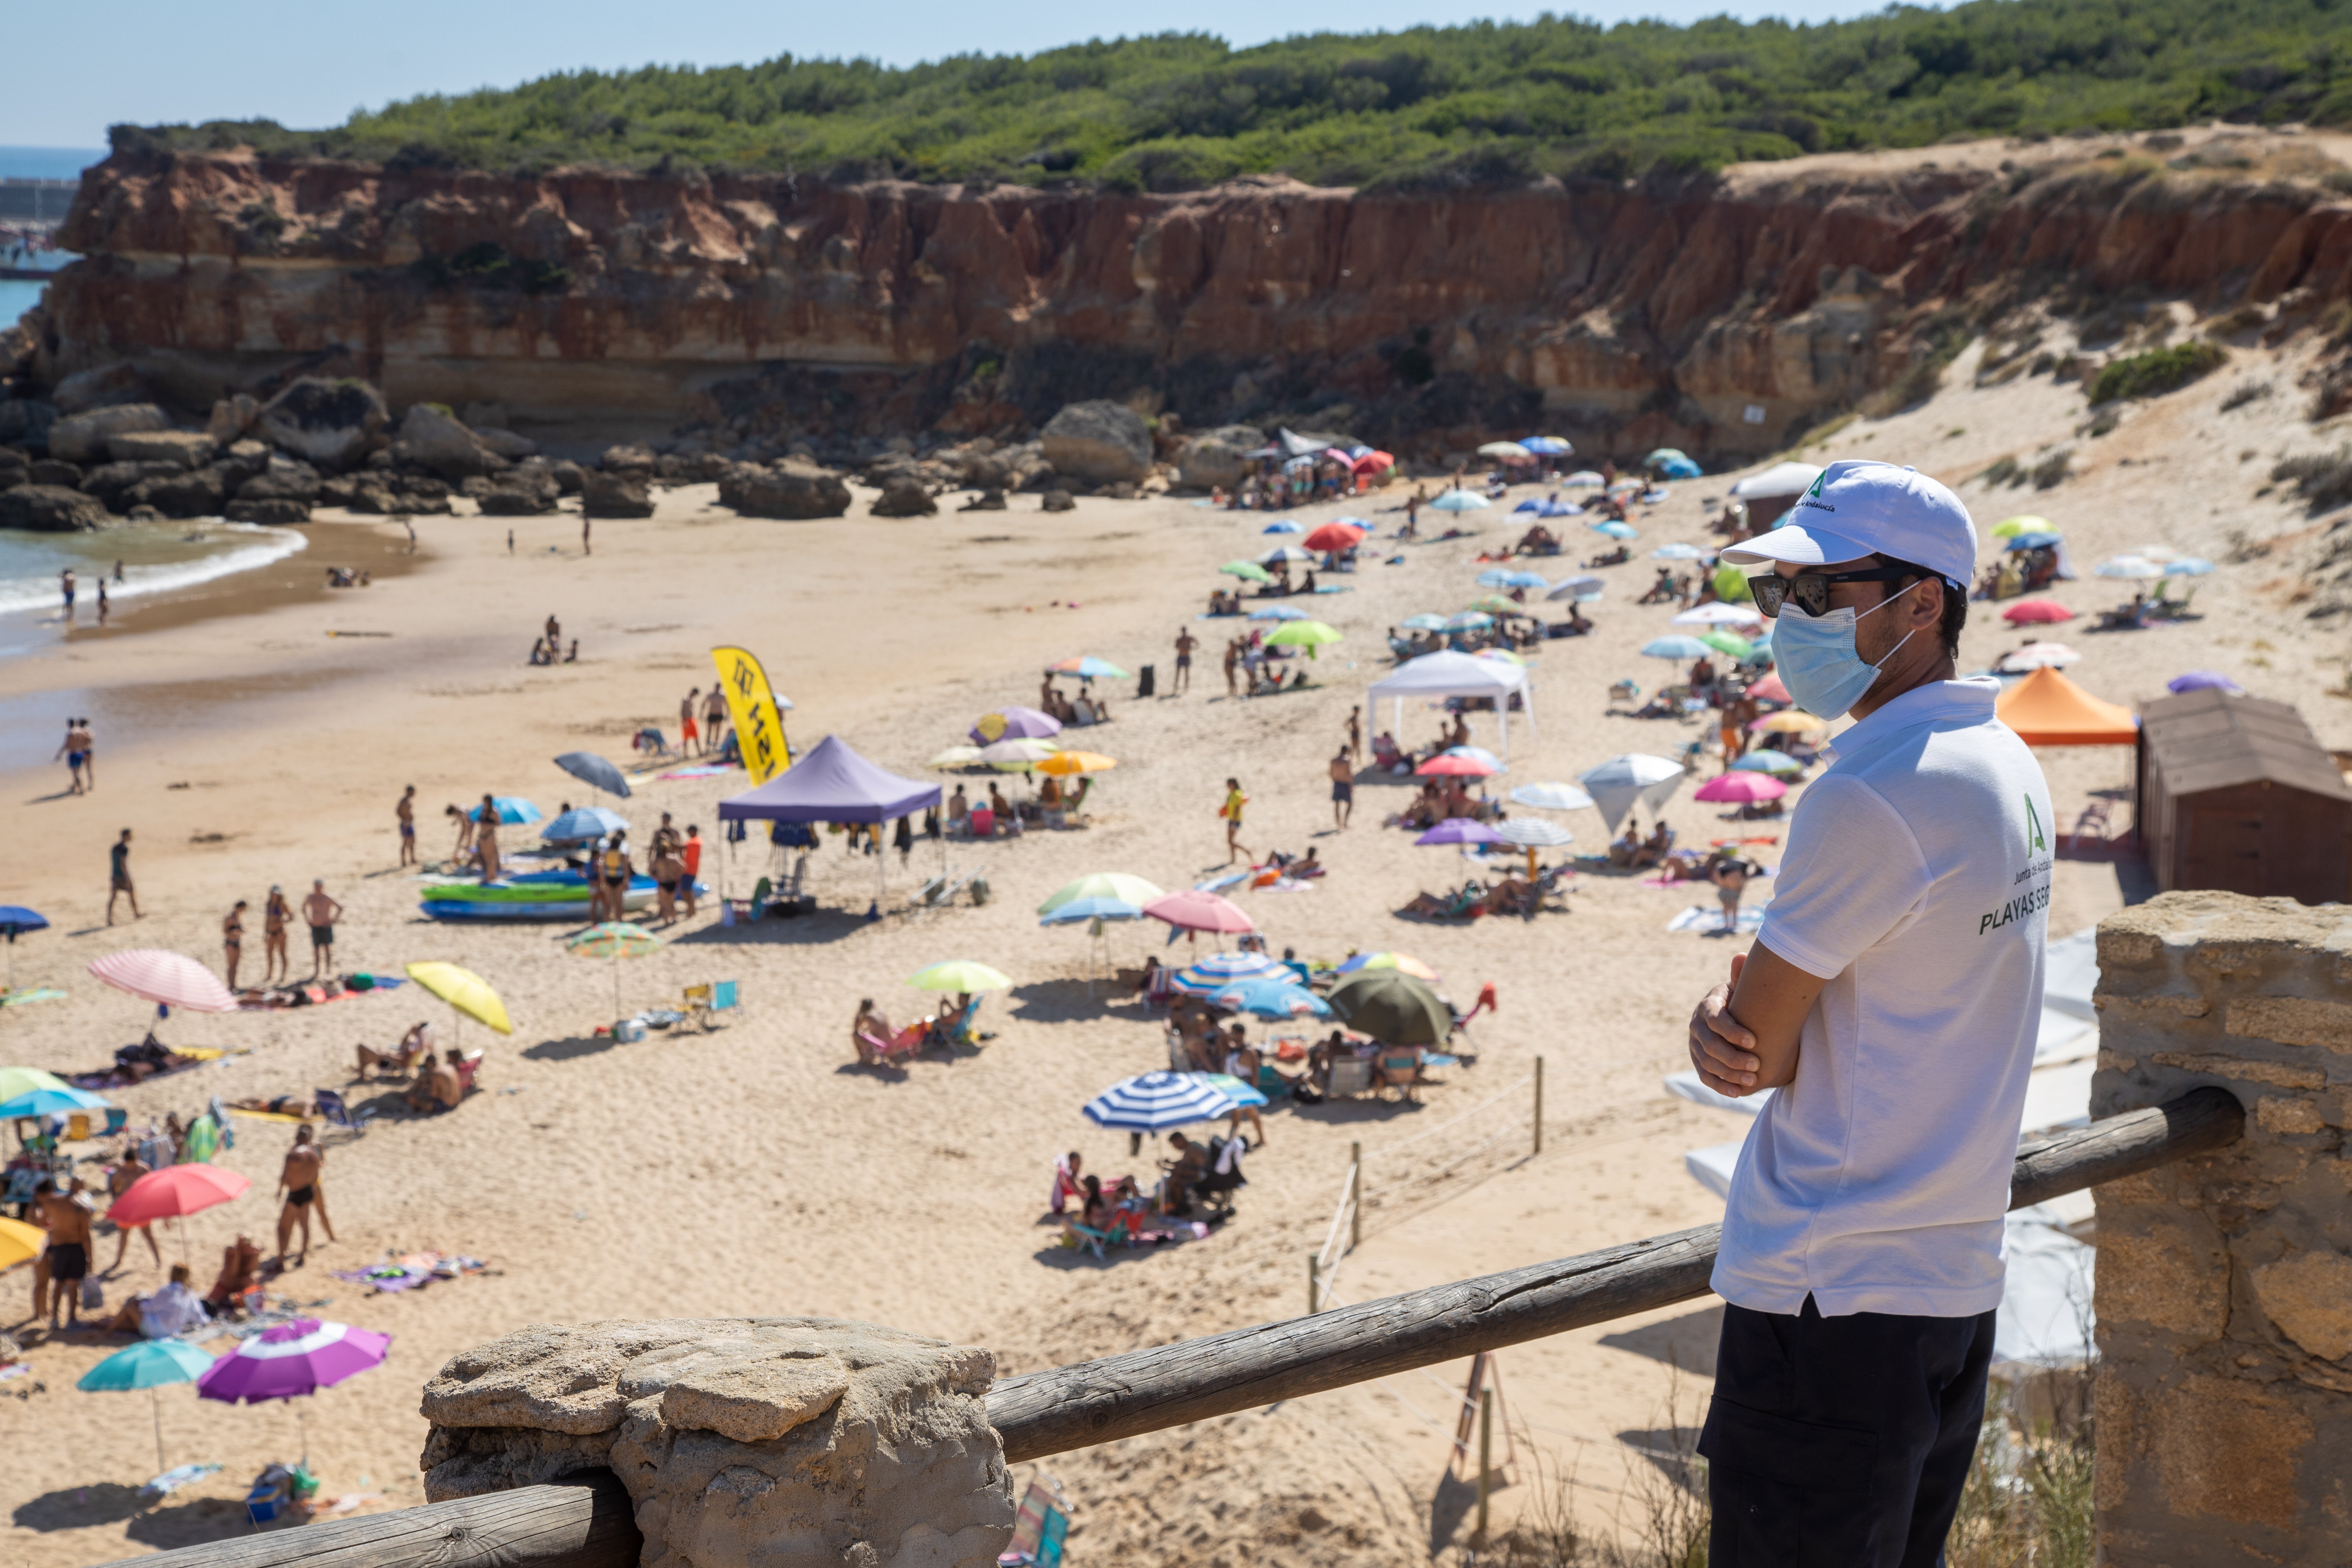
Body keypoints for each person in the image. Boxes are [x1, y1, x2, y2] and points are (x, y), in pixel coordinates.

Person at [1686, 459, 2052, 1564]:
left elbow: (1750, 1052)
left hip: (1827, 1288)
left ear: (1920, 600)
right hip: (1948, 1273)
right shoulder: (2003, 761)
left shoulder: (1869, 791)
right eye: (1774, 597)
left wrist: (1718, 1011)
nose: (1785, 623)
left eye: (1816, 594)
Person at [35, 1175, 93, 1329]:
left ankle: (54, 1318)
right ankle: (71, 1319)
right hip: (76, 1248)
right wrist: (90, 1258)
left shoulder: (53, 1202)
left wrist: (55, 1231)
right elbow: (85, 1237)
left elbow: (42, 1223)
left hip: (59, 1248)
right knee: (73, 1285)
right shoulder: (82, 1207)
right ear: (81, 1187)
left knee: (58, 1283)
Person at [274, 1125, 326, 1269]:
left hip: (295, 1194)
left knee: (283, 1228)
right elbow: (318, 1171)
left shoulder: (294, 1155)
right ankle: (302, 1256)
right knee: (305, 1225)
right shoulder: (314, 1154)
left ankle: (280, 1261)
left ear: (297, 1138)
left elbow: (285, 1176)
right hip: (309, 1191)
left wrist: (280, 1190)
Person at [107, 1146, 161, 1271]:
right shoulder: (120, 1171)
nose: (129, 1166)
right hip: (126, 1207)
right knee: (124, 1236)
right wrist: (115, 1199)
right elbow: (112, 1188)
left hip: (141, 1207)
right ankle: (118, 1261)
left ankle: (158, 1260)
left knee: (148, 1234)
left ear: (136, 1160)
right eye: (128, 1164)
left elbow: (153, 1186)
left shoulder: (144, 1169)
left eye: (131, 1164)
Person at [139, 1262, 207, 1339]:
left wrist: (141, 1303)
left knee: (131, 1307)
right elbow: (197, 1314)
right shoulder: (189, 1294)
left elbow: (148, 1308)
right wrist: (205, 1321)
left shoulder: (167, 1290)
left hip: (158, 1331)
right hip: (175, 1330)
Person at [358, 1020, 434, 1080]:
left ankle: (362, 1074)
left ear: (419, 1030)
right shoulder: (417, 1044)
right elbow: (401, 1046)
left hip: (389, 1063)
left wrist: (388, 1055)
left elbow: (403, 1061)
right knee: (369, 1051)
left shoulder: (415, 1047)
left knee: (361, 1047)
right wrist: (409, 1033)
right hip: (390, 1061)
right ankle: (361, 1073)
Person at [303, 880, 343, 979]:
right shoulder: (311, 897)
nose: (317, 888)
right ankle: (317, 971)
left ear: (322, 887)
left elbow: (340, 908)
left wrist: (333, 921)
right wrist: (308, 920)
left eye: (319, 887)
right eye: (316, 886)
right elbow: (304, 908)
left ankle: (328, 970)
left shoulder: (326, 898)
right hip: (315, 927)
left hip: (325, 927)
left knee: (327, 949)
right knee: (316, 950)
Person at [1708, 853, 1754, 934]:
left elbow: (1718, 866)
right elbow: (1750, 873)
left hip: (1721, 872)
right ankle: (1735, 923)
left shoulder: (1731, 859)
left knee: (1726, 900)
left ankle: (1726, 924)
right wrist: (1742, 887)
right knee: (1734, 900)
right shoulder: (1749, 863)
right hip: (1735, 873)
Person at [595, 832, 633, 923]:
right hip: (619, 879)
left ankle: (607, 921)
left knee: (608, 903)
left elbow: (602, 869)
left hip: (609, 879)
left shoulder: (606, 854)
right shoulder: (622, 855)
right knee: (619, 903)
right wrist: (627, 882)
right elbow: (627, 870)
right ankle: (619, 921)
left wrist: (602, 881)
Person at [107, 828, 139, 923]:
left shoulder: (114, 847)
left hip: (114, 875)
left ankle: (109, 919)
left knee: (113, 898)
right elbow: (123, 864)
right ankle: (136, 914)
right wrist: (127, 878)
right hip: (122, 876)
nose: (131, 837)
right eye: (130, 835)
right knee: (131, 894)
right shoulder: (124, 849)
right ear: (126, 836)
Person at [262, 885, 292, 983]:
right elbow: (267, 919)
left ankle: (283, 975)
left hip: (280, 932)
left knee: (282, 954)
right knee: (269, 954)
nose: (275, 896)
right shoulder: (269, 904)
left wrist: (281, 922)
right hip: (271, 932)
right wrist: (265, 933)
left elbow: (291, 917)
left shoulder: (282, 905)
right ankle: (270, 974)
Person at [1220, 777, 1252, 865]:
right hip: (1231, 819)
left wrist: (1234, 821)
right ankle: (1233, 859)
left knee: (1231, 841)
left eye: (1229, 785)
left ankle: (1247, 851)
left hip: (1236, 820)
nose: (1228, 787)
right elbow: (1229, 807)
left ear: (1234, 784)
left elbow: (1238, 808)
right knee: (1230, 841)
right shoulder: (1231, 794)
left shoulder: (1238, 794)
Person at [54, 716, 90, 794]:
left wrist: (59, 755)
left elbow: (66, 745)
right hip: (81, 753)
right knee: (78, 771)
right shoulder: (82, 732)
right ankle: (75, 787)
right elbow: (88, 740)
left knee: (75, 773)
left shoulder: (70, 733)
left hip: (73, 754)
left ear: (69, 725)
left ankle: (81, 789)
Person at [475, 795, 503, 882]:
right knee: (485, 856)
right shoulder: (483, 811)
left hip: (490, 835)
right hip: (482, 836)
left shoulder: (494, 811)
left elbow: (499, 823)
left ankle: (492, 875)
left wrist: (489, 825)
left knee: (491, 856)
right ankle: (490, 875)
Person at [223, 900, 247, 990]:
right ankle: (230, 985)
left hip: (238, 943)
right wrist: (235, 932)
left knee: (236, 966)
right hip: (230, 943)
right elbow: (225, 932)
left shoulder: (238, 917)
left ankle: (234, 985)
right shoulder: (229, 917)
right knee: (231, 966)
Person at [1328, 748, 1354, 830]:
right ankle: (1345, 823)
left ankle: (1339, 824)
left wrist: (1335, 780)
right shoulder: (1347, 760)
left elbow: (1331, 773)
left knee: (1337, 804)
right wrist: (1351, 785)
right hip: (1345, 783)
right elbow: (1349, 773)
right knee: (1350, 803)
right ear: (1346, 751)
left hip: (1337, 783)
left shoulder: (1334, 761)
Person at [680, 826, 703, 918]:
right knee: (688, 891)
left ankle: (691, 910)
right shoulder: (695, 841)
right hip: (689, 869)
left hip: (690, 870)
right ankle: (691, 910)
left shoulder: (696, 841)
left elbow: (681, 847)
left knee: (686, 891)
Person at [397, 784, 418, 866]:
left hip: (410, 823)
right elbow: (398, 811)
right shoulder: (404, 801)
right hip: (405, 824)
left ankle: (412, 859)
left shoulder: (408, 801)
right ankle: (403, 861)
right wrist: (404, 820)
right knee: (405, 842)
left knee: (413, 841)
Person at [1173, 627, 1197, 693]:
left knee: (1187, 673)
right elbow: (1176, 647)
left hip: (1187, 657)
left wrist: (1191, 648)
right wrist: (1183, 647)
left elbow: (1197, 644)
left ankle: (1186, 688)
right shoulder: (1179, 639)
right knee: (1178, 674)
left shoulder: (1189, 639)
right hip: (1181, 657)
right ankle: (1176, 687)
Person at [681, 688, 702, 756]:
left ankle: (699, 752)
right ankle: (685, 753)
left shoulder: (691, 699)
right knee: (686, 738)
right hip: (687, 720)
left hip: (692, 719)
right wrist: (684, 721)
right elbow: (682, 711)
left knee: (696, 736)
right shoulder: (686, 699)